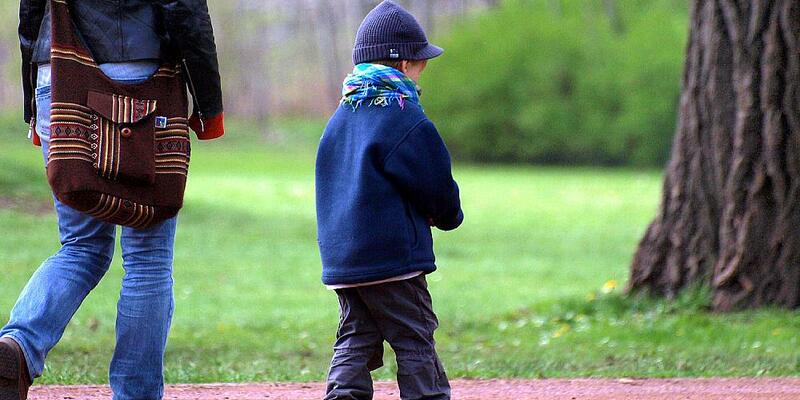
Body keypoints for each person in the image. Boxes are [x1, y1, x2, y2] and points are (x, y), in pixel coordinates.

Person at [1, 1, 225, 399]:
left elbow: (31, 11)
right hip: (142, 76)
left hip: (58, 73)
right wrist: (209, 103)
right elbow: (185, 8)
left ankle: (17, 346)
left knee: (80, 246)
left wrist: (35, 104)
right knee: (148, 261)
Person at [315, 1, 464, 399]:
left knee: (356, 337)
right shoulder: (404, 116)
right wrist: (448, 215)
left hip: (345, 261)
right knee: (414, 335)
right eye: (420, 63)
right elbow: (436, 185)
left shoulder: (339, 119)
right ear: (401, 65)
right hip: (394, 259)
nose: (423, 72)